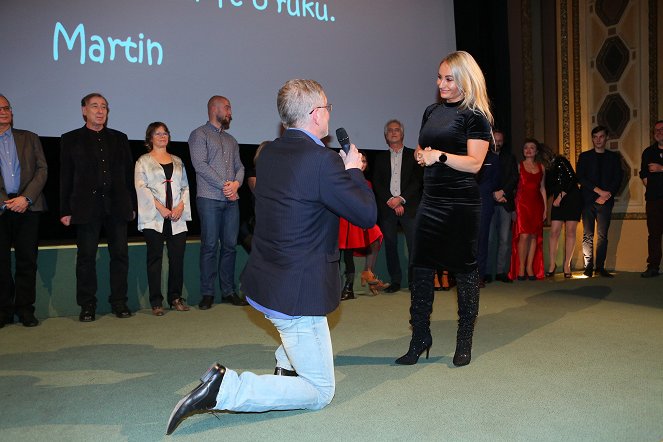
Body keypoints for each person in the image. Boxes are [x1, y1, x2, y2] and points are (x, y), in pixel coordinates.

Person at [166, 79, 376, 435]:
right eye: (327, 106)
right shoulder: (324, 163)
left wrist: (338, 171)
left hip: (264, 283)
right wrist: (352, 170)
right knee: (321, 391)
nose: (329, 112)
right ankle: (226, 389)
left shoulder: (272, 152)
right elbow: (367, 215)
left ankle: (285, 367)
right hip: (296, 294)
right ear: (314, 114)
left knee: (298, 339)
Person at [395, 51, 493, 367]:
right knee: (420, 268)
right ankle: (420, 336)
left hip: (462, 204)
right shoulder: (431, 111)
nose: (441, 84)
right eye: (439, 77)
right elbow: (424, 149)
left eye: (449, 78)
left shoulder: (475, 116)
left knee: (464, 271)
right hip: (431, 200)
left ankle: (464, 341)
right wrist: (421, 156)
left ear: (464, 79)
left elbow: (475, 163)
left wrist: (439, 156)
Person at [60, 93, 136, 322]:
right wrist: (65, 209)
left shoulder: (120, 138)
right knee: (86, 258)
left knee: (120, 255)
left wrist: (131, 204)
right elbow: (66, 176)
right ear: (84, 110)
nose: (100, 111)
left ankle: (119, 302)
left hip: (117, 205)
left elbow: (127, 174)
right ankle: (87, 305)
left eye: (104, 107)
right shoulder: (70, 139)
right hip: (85, 207)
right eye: (95, 106)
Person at [188, 96, 246, 308]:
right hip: (209, 198)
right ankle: (207, 293)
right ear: (215, 108)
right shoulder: (199, 135)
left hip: (232, 200)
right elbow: (200, 165)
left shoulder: (231, 140)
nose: (231, 112)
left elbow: (240, 167)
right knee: (210, 246)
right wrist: (226, 185)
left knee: (230, 246)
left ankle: (228, 291)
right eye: (228, 108)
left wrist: (236, 185)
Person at [0, 94, 47, 328]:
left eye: (7, 107)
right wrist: (5, 201)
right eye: (0, 108)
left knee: (27, 261)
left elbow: (42, 170)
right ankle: (3, 311)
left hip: (27, 208)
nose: (4, 111)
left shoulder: (29, 138)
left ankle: (26, 310)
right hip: (1, 208)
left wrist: (26, 198)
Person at [135, 122, 192, 316]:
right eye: (157, 133)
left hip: (176, 217)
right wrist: (161, 208)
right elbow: (141, 188)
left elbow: (185, 187)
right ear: (150, 138)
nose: (162, 136)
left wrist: (179, 207)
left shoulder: (177, 161)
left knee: (177, 259)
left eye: (165, 133)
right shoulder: (143, 161)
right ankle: (156, 301)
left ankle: (175, 297)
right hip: (154, 217)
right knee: (155, 259)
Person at [372, 119, 423, 293]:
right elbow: (377, 183)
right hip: (387, 208)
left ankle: (414, 282)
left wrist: (400, 199)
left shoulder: (412, 156)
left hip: (409, 206)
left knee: (414, 246)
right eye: (390, 131)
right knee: (391, 245)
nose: (394, 132)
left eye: (397, 130)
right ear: (386, 136)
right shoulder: (380, 158)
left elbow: (417, 182)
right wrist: (391, 201)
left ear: (402, 134)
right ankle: (395, 280)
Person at [339, 151, 388, 300]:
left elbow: (367, 206)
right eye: (360, 160)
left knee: (374, 234)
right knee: (336, 257)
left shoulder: (367, 183)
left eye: (365, 161)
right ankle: (336, 287)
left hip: (355, 221)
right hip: (340, 219)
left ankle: (353, 285)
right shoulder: (341, 179)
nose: (362, 163)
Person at [576, 126, 623, 278]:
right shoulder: (584, 156)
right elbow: (581, 178)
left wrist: (606, 195)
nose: (598, 140)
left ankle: (600, 267)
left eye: (601, 137)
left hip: (606, 201)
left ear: (606, 137)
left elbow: (618, 178)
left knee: (603, 235)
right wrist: (598, 192)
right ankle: (588, 267)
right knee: (587, 235)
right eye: (595, 137)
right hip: (588, 200)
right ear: (592, 139)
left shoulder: (614, 157)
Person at [508, 139, 547, 281]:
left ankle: (530, 267)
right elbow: (513, 188)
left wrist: (545, 209)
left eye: (532, 148)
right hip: (522, 204)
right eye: (526, 148)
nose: (528, 150)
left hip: (537, 205)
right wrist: (513, 208)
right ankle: (521, 268)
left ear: (536, 151)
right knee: (523, 236)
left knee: (534, 236)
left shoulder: (541, 167)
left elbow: (542, 188)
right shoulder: (518, 166)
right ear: (523, 151)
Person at [488, 128, 518, 283]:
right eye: (495, 140)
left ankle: (501, 272)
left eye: (500, 140)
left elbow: (514, 178)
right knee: (488, 239)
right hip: (489, 203)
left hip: (506, 203)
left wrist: (502, 193)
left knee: (505, 239)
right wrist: (494, 194)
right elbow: (481, 179)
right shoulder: (483, 157)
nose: (497, 143)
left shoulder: (509, 157)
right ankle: (486, 273)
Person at [546, 153, 582, 278]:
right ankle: (552, 264)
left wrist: (561, 196)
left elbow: (573, 178)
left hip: (571, 197)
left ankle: (567, 264)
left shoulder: (560, 160)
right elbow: (546, 189)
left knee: (570, 232)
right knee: (554, 232)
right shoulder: (544, 168)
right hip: (558, 200)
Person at [638, 120, 663, 278]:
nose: (658, 132)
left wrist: (661, 168)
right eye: (656, 130)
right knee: (654, 234)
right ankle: (653, 266)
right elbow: (644, 175)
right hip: (654, 200)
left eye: (662, 129)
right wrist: (652, 187)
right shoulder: (648, 152)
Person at [477, 146, 500, 287]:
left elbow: (496, 181)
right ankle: (463, 275)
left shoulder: (493, 158)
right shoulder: (465, 154)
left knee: (482, 240)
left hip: (485, 203)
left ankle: (479, 275)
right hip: (465, 203)